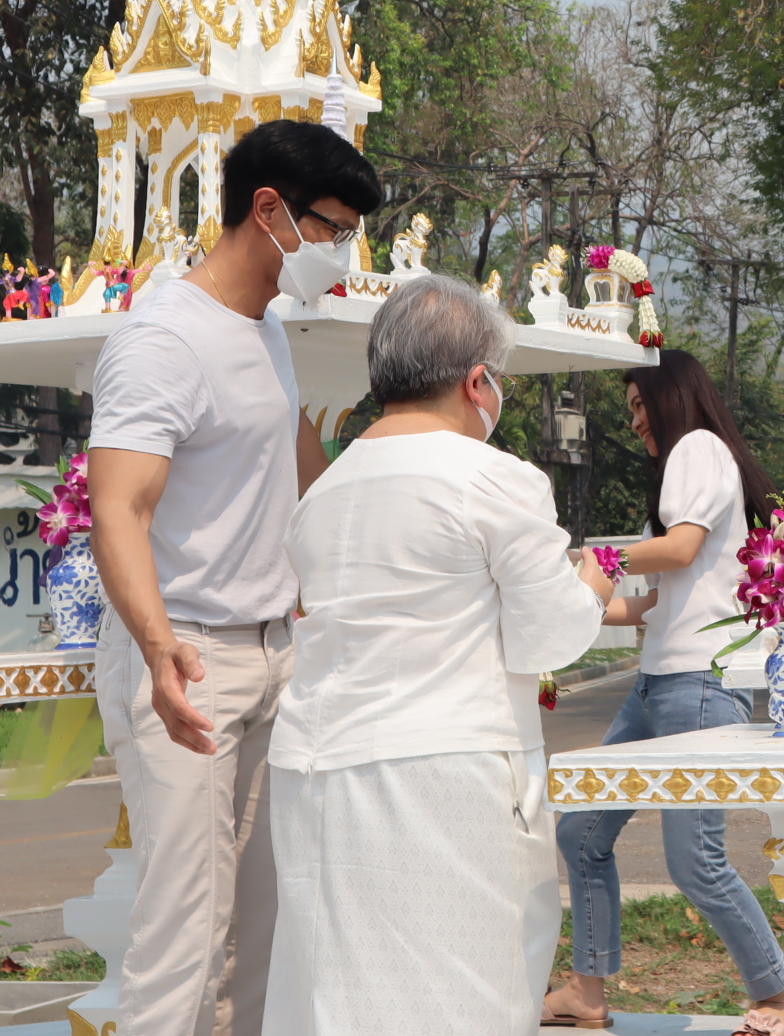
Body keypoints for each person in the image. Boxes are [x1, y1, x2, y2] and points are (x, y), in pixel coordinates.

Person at [88, 120, 383, 1036]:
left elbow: (304, 475)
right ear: (270, 212)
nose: (341, 254)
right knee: (183, 934)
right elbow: (117, 510)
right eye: (334, 229)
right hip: (191, 658)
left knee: (261, 933)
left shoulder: (267, 333)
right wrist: (158, 647)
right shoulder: (163, 340)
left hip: (271, 651)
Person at [264, 276, 614, 1036]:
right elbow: (550, 636)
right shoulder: (492, 478)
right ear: (477, 381)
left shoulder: (323, 491)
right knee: (462, 996)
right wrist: (588, 584)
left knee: (338, 994)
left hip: (315, 768)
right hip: (441, 771)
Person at [546, 349, 784, 1036]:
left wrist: (588, 559)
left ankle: (780, 996)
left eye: (637, 405)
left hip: (698, 682)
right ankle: (588, 992)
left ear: (671, 397)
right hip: (660, 682)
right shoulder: (696, 465)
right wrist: (567, 605)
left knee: (695, 860)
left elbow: (680, 549)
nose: (633, 423)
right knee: (582, 832)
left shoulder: (697, 448)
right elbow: (658, 603)